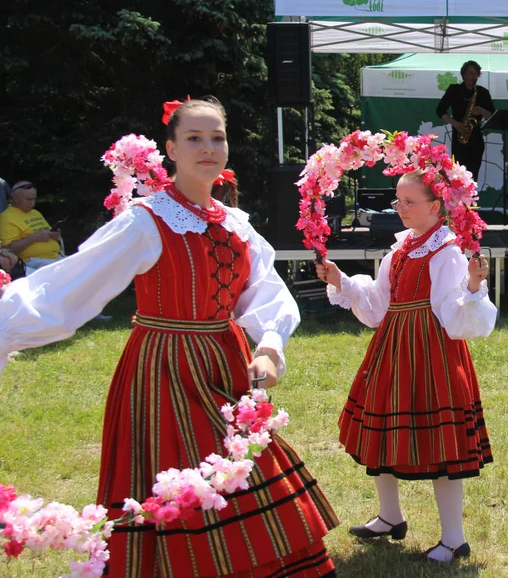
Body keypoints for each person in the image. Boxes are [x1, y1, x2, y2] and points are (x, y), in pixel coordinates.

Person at [0, 97, 339, 576]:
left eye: (217, 137)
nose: (208, 148)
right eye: (194, 139)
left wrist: (268, 346)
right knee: (175, 479)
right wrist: (5, 328)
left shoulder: (235, 223)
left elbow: (265, 290)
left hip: (227, 365)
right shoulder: (146, 220)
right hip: (164, 370)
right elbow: (72, 286)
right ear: (171, 150)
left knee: (242, 473)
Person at [316, 170, 496, 563]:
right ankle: (390, 516)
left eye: (408, 202)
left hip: (431, 353)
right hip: (393, 347)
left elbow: (453, 314)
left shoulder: (447, 250)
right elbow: (380, 303)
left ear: (435, 207)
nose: (400, 209)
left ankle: (454, 538)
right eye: (397, 201)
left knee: (440, 443)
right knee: (379, 430)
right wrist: (341, 280)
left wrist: (471, 287)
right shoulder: (401, 248)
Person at [436, 60, 495, 182]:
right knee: (457, 176)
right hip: (459, 137)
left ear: (478, 75)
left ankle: (470, 199)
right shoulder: (454, 90)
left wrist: (483, 111)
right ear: (463, 74)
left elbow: (492, 115)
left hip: (476, 138)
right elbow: (440, 111)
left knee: (473, 175)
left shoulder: (482, 92)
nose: (472, 76)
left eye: (475, 73)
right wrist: (455, 123)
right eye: (469, 73)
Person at [0, 180, 63, 273]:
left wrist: (54, 235)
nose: (32, 203)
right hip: (33, 262)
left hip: (55, 257)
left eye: (34, 199)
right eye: (28, 199)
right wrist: (34, 238)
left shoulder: (35, 213)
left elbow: (48, 232)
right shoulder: (6, 217)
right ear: (14, 198)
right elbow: (9, 248)